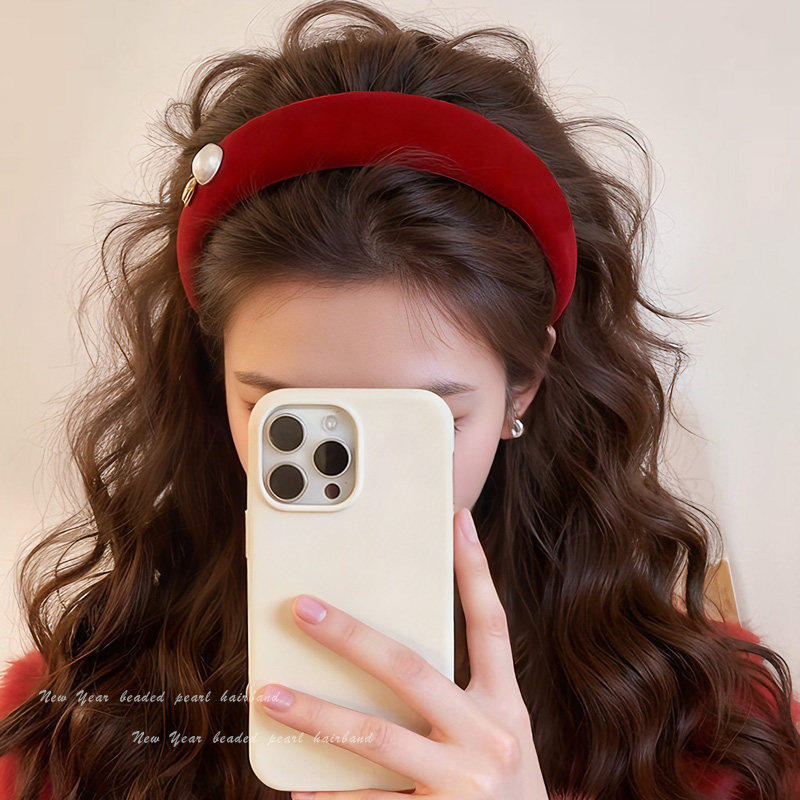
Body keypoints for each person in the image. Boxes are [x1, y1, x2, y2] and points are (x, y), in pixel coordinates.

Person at [1, 1, 798, 798]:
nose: (367, 485)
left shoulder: (714, 729)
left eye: (422, 423)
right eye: (288, 423)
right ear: (216, 384)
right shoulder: (72, 726)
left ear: (524, 386)